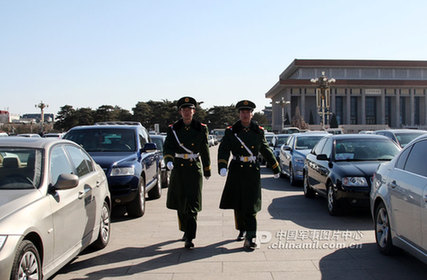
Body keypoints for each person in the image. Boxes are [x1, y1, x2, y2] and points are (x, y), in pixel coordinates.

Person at [218, 100, 281, 250]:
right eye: (242, 112)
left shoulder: (258, 131)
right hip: (237, 170)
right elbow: (224, 149)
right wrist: (222, 165)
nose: (245, 115)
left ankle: (251, 237)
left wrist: (275, 166)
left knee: (251, 205)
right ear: (239, 114)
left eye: (248, 112)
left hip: (252, 170)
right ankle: (242, 229)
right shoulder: (231, 131)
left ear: (252, 114)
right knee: (239, 204)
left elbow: (265, 149)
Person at [163, 96, 211, 249]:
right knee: (180, 201)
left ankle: (190, 236)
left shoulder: (201, 128)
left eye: (189, 109)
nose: (186, 112)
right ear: (180, 112)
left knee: (192, 203)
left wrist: (207, 169)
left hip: (193, 168)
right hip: (178, 168)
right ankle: (185, 229)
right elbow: (168, 147)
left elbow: (204, 149)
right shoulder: (173, 129)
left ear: (194, 111)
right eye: (184, 110)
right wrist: (168, 160)